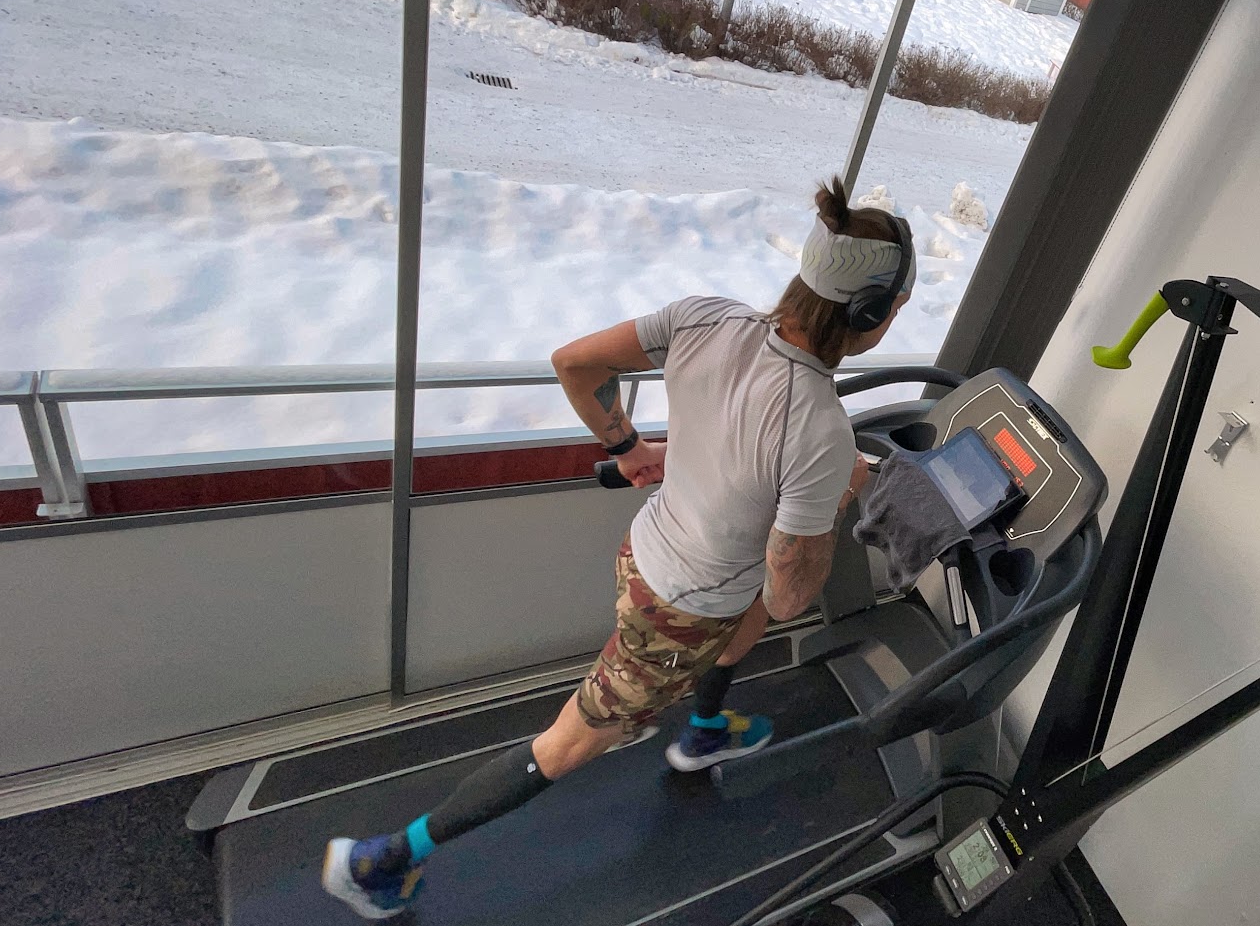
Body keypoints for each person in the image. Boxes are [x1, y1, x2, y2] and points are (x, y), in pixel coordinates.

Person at [322, 176, 916, 919]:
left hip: (650, 549)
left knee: (748, 612)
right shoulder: (820, 430)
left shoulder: (706, 316)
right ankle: (383, 861)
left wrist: (630, 446)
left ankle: (704, 731)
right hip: (679, 615)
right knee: (567, 744)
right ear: (872, 314)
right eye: (897, 305)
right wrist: (837, 495)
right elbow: (794, 592)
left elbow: (574, 363)